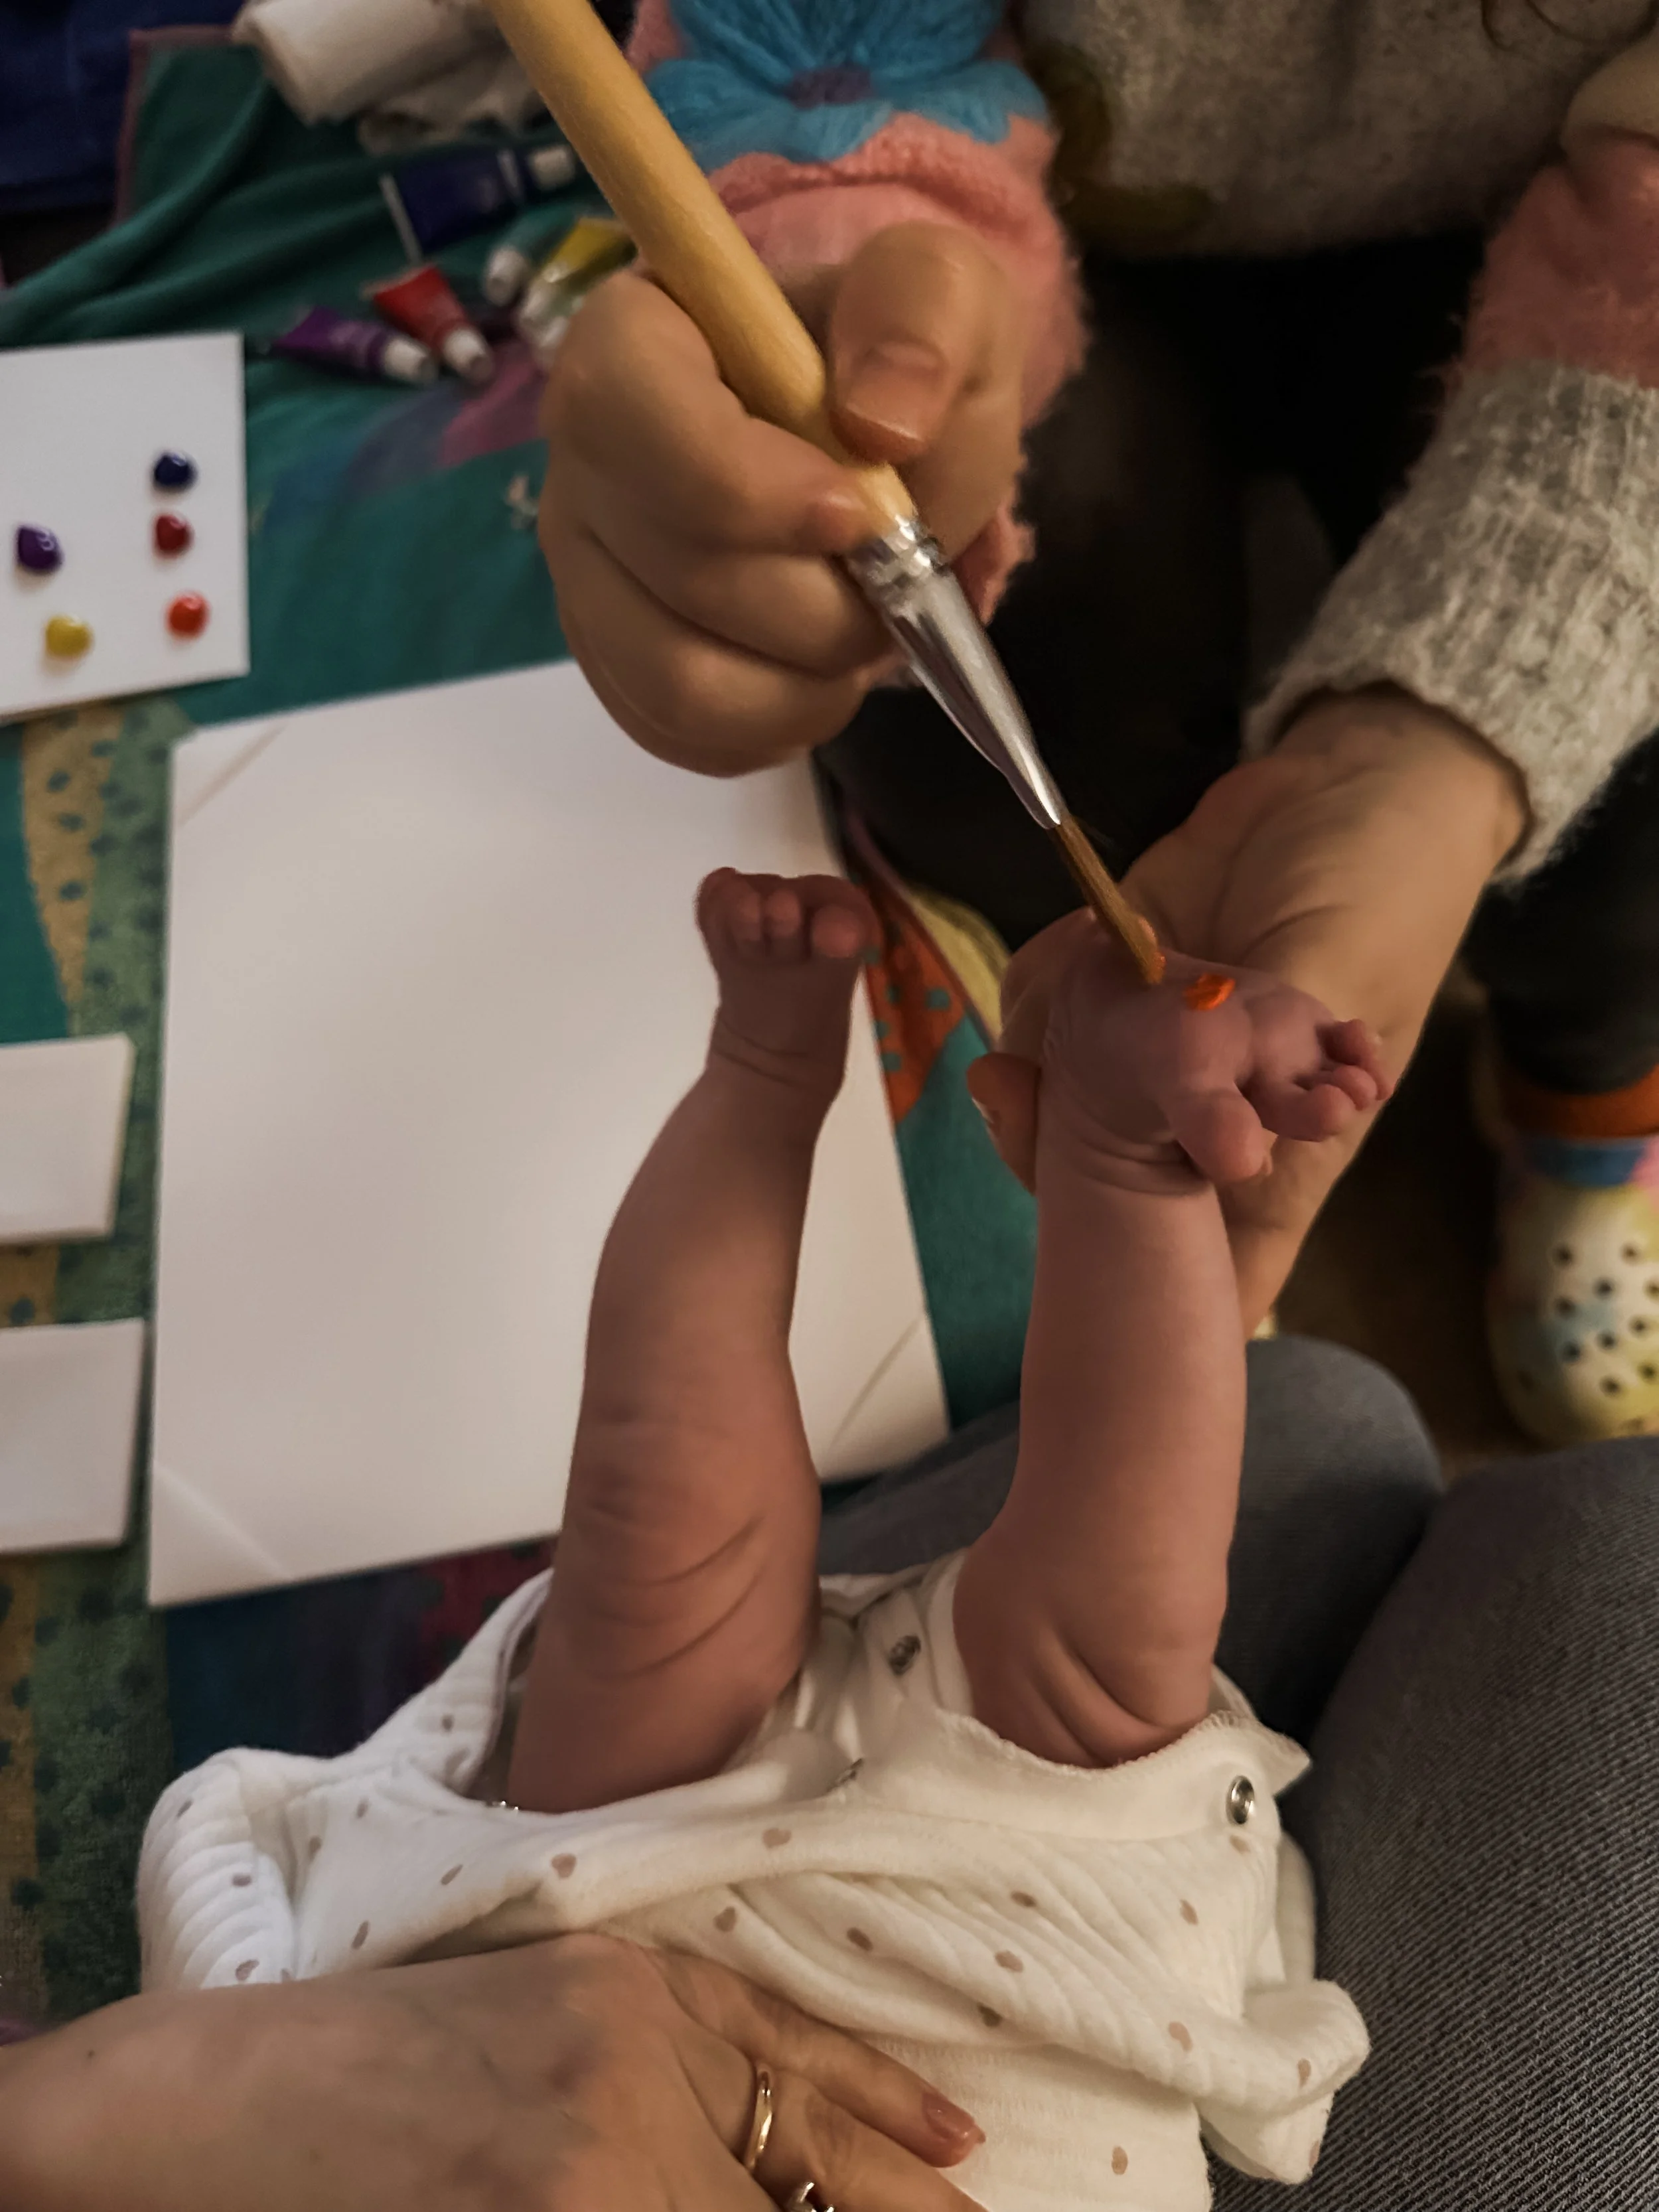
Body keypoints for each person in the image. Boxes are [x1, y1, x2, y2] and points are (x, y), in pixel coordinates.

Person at [137, 869, 1386, 2208]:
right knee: (1123, 1621)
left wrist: (262, 1987)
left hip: (595, 1891)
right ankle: (1121, 1144)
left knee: (665, 1529)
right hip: (1049, 1928)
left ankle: (761, 1069)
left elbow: (205, 2031)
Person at [538, 0, 1659, 1445]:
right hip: (1039, 216)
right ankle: (1137, 1177)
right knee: (1012, 678)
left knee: (1619, 779)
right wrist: (848, 288)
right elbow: (811, 56)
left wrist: (1444, 748)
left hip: (1596, 240)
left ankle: (1591, 1081)